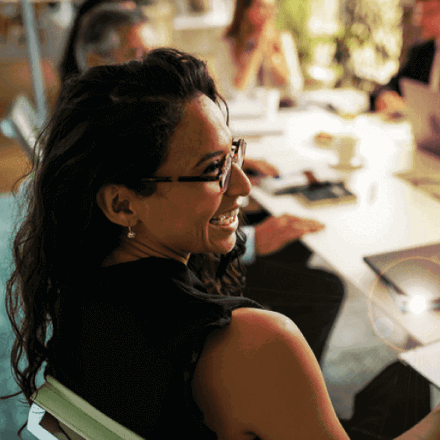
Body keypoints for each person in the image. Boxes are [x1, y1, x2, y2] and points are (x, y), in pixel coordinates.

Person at [2, 48, 439, 440]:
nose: (244, 185)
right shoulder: (259, 345)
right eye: (214, 169)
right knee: (412, 387)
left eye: (234, 154)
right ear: (122, 204)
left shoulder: (70, 291)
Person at [64, 0, 344, 365]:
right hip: (202, 267)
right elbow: (162, 232)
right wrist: (254, 241)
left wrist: (220, 164)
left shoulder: (96, 126)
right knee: (326, 289)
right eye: (137, 54)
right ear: (95, 62)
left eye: (152, 52)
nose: (151, 65)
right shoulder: (111, 144)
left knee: (298, 245)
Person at [214, 0, 304, 106]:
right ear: (246, 9)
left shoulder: (283, 40)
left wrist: (272, 57)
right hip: (243, 115)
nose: (269, 13)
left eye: (272, 7)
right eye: (262, 7)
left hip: (281, 113)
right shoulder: (227, 45)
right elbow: (233, 93)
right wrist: (257, 50)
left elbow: (294, 90)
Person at [372, 0, 440, 114]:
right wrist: (385, 97)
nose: (419, 21)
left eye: (429, 13)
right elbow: (392, 87)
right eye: (419, 13)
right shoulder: (422, 53)